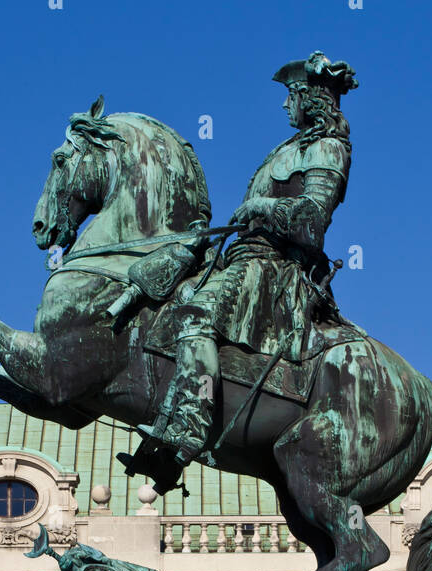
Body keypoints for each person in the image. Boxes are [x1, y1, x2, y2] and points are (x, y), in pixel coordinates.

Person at [135, 50, 357, 473]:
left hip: (274, 268)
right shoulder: (287, 148)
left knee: (194, 316)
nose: (284, 104)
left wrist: (261, 206)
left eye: (290, 95)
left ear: (310, 99)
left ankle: (187, 428)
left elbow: (312, 222)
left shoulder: (329, 148)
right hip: (242, 258)